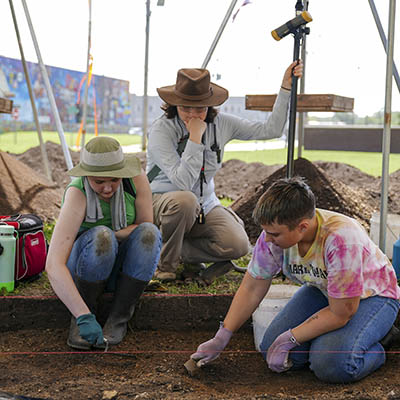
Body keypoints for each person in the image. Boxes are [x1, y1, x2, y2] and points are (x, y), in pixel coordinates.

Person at [190, 177, 400, 383]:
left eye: (274, 234)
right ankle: (335, 342)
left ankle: (380, 342)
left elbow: (341, 313)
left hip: (373, 297)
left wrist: (290, 337)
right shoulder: (271, 236)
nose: (267, 239)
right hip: (324, 290)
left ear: (302, 227)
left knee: (331, 363)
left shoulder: (341, 240)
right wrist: (223, 334)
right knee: (270, 347)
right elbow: (253, 287)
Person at [146, 61, 303, 283]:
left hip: (204, 204)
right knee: (185, 200)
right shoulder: (161, 129)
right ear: (174, 104)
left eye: (200, 108)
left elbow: (271, 130)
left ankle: (179, 251)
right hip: (162, 201)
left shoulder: (222, 124)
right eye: (185, 107)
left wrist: (285, 88)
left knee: (238, 245)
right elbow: (183, 181)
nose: (192, 115)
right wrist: (195, 138)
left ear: (209, 105)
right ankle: (166, 267)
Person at [46, 136, 162, 350]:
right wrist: (82, 316)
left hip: (118, 263)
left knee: (149, 234)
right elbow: (53, 264)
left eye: (114, 180)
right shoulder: (77, 193)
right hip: (85, 263)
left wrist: (115, 237)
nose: (108, 188)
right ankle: (84, 313)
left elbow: (145, 226)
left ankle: (118, 318)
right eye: (99, 182)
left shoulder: (135, 179)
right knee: (101, 237)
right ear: (87, 175)